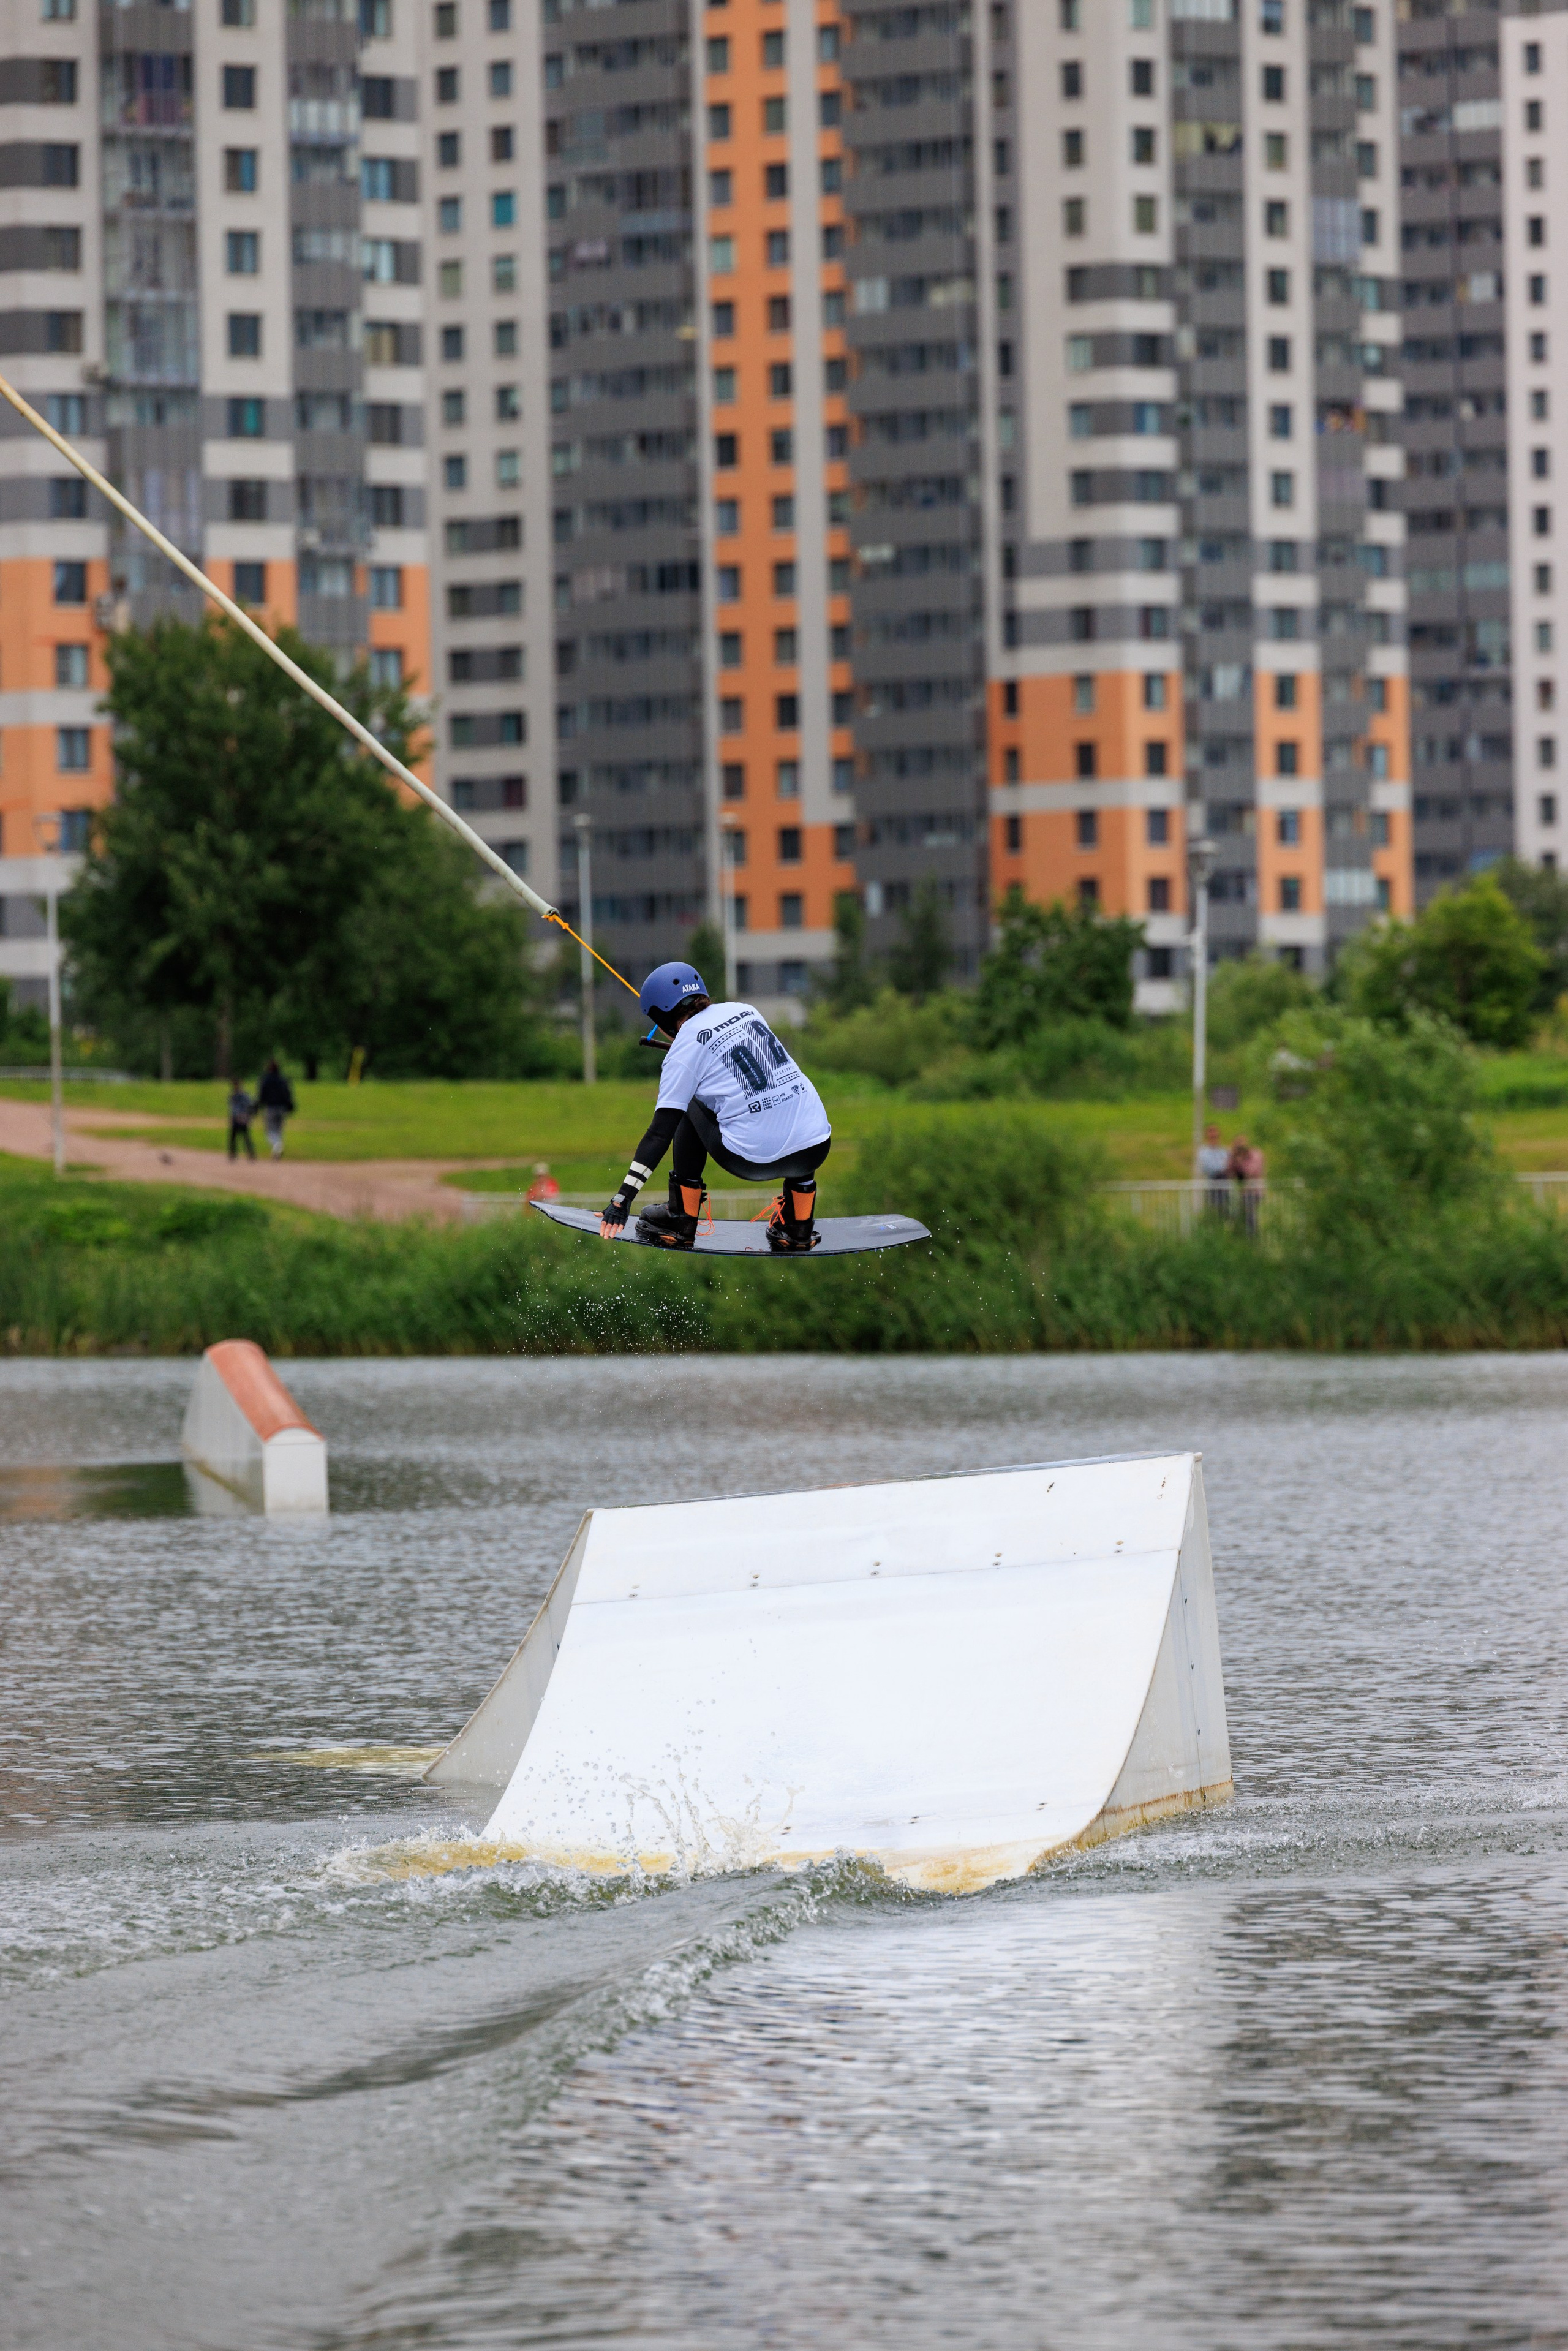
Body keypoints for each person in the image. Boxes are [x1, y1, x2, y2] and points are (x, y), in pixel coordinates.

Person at [600, 960, 831, 1251]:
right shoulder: (746, 1010)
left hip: (752, 1160)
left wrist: (622, 1200)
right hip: (815, 1149)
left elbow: (660, 1134)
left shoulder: (683, 1050)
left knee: (686, 1102)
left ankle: (681, 1217)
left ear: (659, 1016)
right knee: (790, 1105)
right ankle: (798, 1227)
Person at [257, 1057, 295, 1160]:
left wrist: (258, 1105)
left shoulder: (266, 1080)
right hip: (282, 1108)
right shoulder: (283, 1079)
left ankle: (277, 1146)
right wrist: (290, 1105)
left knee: (270, 1131)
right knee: (279, 1130)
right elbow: (288, 1094)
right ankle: (278, 1148)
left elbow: (261, 1094)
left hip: (271, 1108)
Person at [1227, 1134, 1266, 1237]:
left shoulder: (1256, 1155)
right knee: (1238, 1218)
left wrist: (1240, 1161)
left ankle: (1252, 1239)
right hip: (1241, 1194)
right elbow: (1228, 1172)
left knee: (1250, 1217)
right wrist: (1233, 1157)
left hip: (1254, 1192)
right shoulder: (1235, 1157)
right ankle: (1241, 1240)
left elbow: (1250, 1173)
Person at [1197, 1122, 1231, 1220]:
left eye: (1215, 1132)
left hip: (1225, 1185)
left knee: (1225, 1211)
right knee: (1213, 1211)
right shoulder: (1203, 1152)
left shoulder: (1224, 1151)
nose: (1213, 1135)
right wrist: (1223, 1167)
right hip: (1212, 1184)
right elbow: (1208, 1167)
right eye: (1211, 1132)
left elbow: (1230, 1165)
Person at [227, 1080, 256, 1162]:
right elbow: (232, 1108)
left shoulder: (243, 1096)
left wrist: (245, 1116)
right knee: (234, 1137)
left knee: (246, 1137)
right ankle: (233, 1153)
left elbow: (249, 1106)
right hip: (236, 1118)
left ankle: (251, 1154)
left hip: (242, 1118)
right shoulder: (233, 1095)